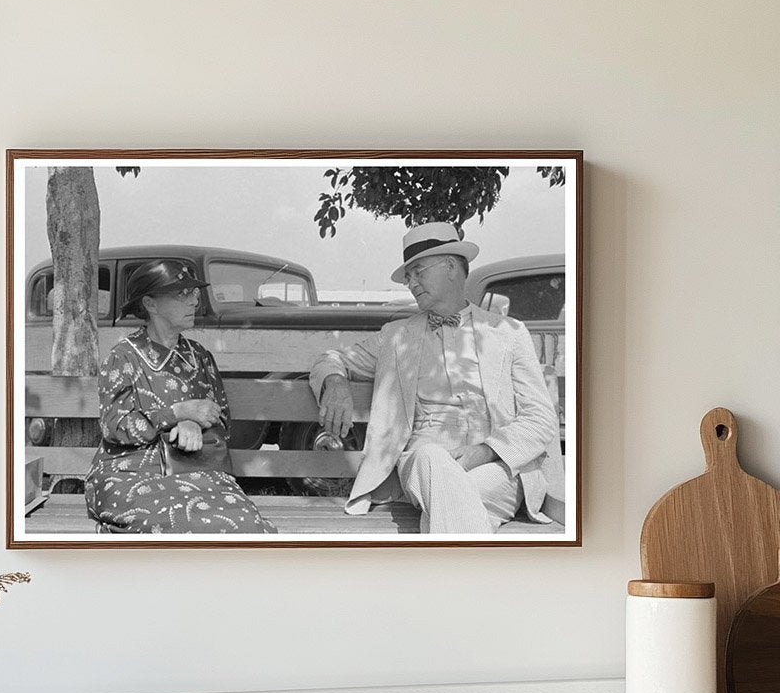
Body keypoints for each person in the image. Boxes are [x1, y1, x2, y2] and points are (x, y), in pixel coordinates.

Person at [310, 222, 564, 534]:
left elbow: (540, 417)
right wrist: (335, 383)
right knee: (431, 459)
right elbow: (329, 358)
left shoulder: (508, 333)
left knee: (447, 499)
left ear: (450, 267)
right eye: (408, 277)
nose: (411, 283)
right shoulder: (396, 337)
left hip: (498, 469)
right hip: (420, 465)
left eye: (418, 271)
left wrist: (484, 451)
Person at [84, 259, 275, 534]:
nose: (193, 302)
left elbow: (221, 420)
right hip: (130, 473)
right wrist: (177, 414)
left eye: (194, 294)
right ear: (150, 304)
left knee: (248, 526)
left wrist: (195, 423)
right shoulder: (123, 356)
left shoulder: (199, 357)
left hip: (198, 470)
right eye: (181, 294)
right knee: (178, 521)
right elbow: (115, 426)